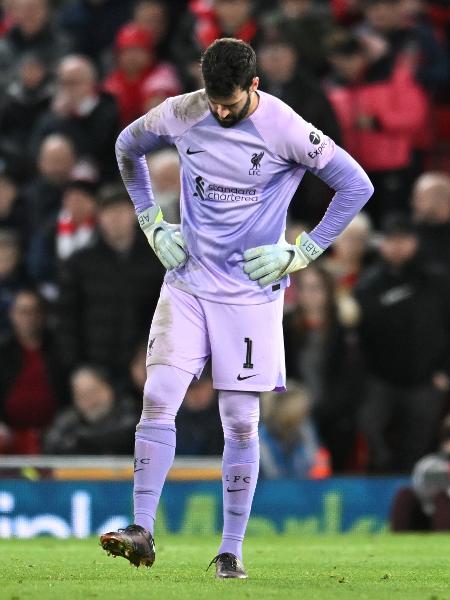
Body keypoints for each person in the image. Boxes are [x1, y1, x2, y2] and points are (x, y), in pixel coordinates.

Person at [99, 38, 373, 577]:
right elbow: (125, 147)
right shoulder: (183, 111)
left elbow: (355, 184)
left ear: (254, 85)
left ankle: (231, 551)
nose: (220, 112)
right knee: (158, 395)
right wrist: (152, 222)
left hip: (250, 293)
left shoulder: (286, 128)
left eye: (230, 103)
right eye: (213, 101)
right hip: (190, 281)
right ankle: (141, 528)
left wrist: (303, 252)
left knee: (241, 422)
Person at [355, 214, 450, 473]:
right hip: (379, 378)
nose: (397, 246)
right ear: (381, 244)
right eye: (391, 240)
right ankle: (381, 477)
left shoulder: (438, 281)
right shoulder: (368, 284)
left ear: (414, 242)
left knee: (417, 444)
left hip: (426, 380)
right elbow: (359, 334)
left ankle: (412, 498)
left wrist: (445, 371)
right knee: (368, 426)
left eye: (403, 239)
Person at [57, 183, 164, 380]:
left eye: (122, 210)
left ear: (134, 214)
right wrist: (77, 368)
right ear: (99, 217)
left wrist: (149, 353)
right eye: (109, 211)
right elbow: (67, 318)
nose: (116, 218)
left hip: (144, 365)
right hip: (94, 368)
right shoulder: (80, 262)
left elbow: (166, 313)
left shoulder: (156, 260)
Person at [0, 289, 64, 454]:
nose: (29, 317)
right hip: (7, 437)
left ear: (43, 315)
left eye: (34, 311)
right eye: (23, 311)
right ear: (12, 314)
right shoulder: (3, 352)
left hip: (54, 436)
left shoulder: (60, 350)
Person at [43, 365, 137, 455]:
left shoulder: (129, 409)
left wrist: (79, 440)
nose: (90, 400)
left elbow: (126, 435)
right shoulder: (69, 418)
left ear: (109, 388)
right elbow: (51, 445)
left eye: (93, 391)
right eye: (82, 396)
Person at [259, 382, 331, 479]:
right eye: (299, 415)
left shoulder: (306, 429)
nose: (304, 420)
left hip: (303, 490)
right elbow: (271, 476)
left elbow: (318, 465)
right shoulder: (259, 442)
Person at [390, 415, 450, 531]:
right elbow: (421, 489)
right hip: (431, 516)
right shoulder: (430, 464)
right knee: (406, 495)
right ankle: (397, 539)